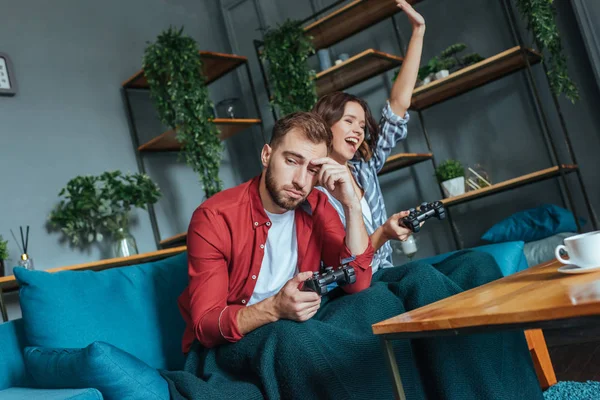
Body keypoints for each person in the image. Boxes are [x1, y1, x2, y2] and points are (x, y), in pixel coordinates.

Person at [176, 111, 374, 351]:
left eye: (312, 170)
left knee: (387, 294)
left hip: (298, 327)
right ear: (267, 155)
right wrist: (274, 308)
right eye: (292, 161)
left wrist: (351, 205)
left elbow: (358, 283)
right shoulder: (214, 218)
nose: (301, 181)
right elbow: (206, 324)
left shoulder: (317, 204)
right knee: (299, 341)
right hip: (236, 343)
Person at [312, 0, 427, 273]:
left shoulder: (365, 168)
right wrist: (384, 233)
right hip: (353, 286)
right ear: (325, 126)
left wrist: (418, 31)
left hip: (384, 271)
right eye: (349, 121)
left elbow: (398, 104)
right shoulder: (312, 190)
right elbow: (342, 263)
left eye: (362, 125)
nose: (358, 130)